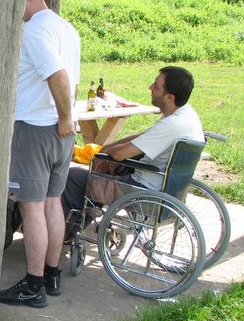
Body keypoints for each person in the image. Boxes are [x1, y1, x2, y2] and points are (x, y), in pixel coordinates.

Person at [0, 0, 81, 309]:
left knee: (30, 207)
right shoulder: (67, 28)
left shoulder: (33, 30)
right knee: (52, 203)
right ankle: (51, 275)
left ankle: (33, 286)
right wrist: (67, 119)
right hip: (60, 132)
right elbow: (71, 79)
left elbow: (58, 75)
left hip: (36, 128)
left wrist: (64, 116)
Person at [61, 66, 204, 233]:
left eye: (156, 86)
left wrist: (104, 154)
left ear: (170, 97)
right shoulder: (187, 117)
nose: (150, 88)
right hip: (167, 186)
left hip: (144, 187)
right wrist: (106, 149)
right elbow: (142, 137)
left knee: (74, 177)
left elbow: (120, 154)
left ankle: (66, 231)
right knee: (103, 169)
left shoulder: (171, 125)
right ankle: (78, 223)